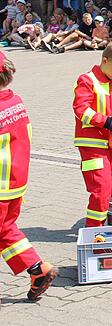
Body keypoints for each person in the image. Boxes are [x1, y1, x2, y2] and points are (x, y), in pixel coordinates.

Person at [0, 50, 59, 300]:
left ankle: (38, 268)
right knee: (5, 230)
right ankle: (37, 270)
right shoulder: (15, 102)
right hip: (16, 182)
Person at [72, 42, 112, 227]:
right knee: (101, 189)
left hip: (109, 144)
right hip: (91, 144)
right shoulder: (87, 80)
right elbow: (81, 110)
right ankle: (95, 233)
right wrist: (108, 122)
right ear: (104, 60)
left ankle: (106, 225)